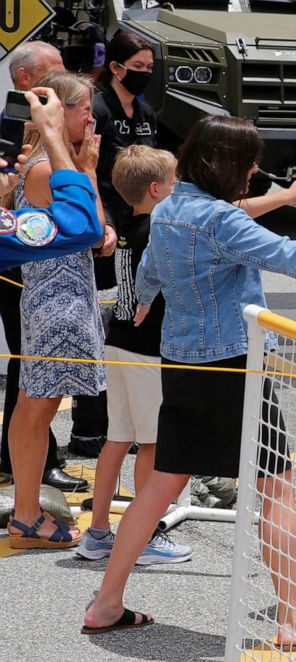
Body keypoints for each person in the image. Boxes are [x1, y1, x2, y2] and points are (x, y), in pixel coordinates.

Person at [82, 115, 296, 646]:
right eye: (247, 164)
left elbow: (151, 264)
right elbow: (286, 253)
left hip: (181, 362)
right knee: (275, 489)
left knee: (160, 484)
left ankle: (107, 602)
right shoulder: (220, 219)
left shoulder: (171, 206)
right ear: (223, 164)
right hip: (235, 367)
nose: (252, 174)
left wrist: (149, 296)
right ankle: (294, 620)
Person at [76, 145, 194, 565]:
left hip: (120, 341)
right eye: (177, 181)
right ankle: (145, 536)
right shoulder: (159, 230)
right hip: (147, 349)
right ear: (158, 189)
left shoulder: (129, 226)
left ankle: (99, 531)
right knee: (152, 443)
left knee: (117, 439)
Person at [6, 72, 109, 550]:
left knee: (35, 408)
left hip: (57, 297)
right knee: (37, 409)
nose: (90, 118)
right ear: (56, 113)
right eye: (83, 109)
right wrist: (87, 170)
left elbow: (101, 235)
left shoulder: (47, 163)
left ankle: (27, 513)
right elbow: (92, 229)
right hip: (57, 301)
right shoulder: (49, 168)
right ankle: (26, 514)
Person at [0, 41, 84, 492]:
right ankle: (30, 469)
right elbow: (84, 224)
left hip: (31, 262)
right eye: (55, 72)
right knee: (32, 377)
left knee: (32, 378)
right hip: (24, 271)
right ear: (27, 81)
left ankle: (31, 464)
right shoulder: (18, 137)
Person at [70, 30, 156, 461]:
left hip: (137, 233)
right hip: (102, 232)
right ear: (117, 66)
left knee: (128, 319)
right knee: (97, 325)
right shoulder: (98, 108)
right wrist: (101, 220)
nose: (144, 76)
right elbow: (87, 169)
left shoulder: (145, 111)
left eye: (149, 69)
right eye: (137, 68)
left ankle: (128, 422)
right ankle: (88, 427)